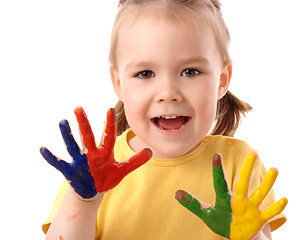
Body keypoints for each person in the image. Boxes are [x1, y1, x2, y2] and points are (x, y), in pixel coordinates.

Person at [40, 0, 287, 239]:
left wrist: (247, 236)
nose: (168, 92)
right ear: (119, 84)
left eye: (191, 72)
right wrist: (84, 200)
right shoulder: (96, 170)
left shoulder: (239, 165)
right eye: (145, 73)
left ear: (222, 80)